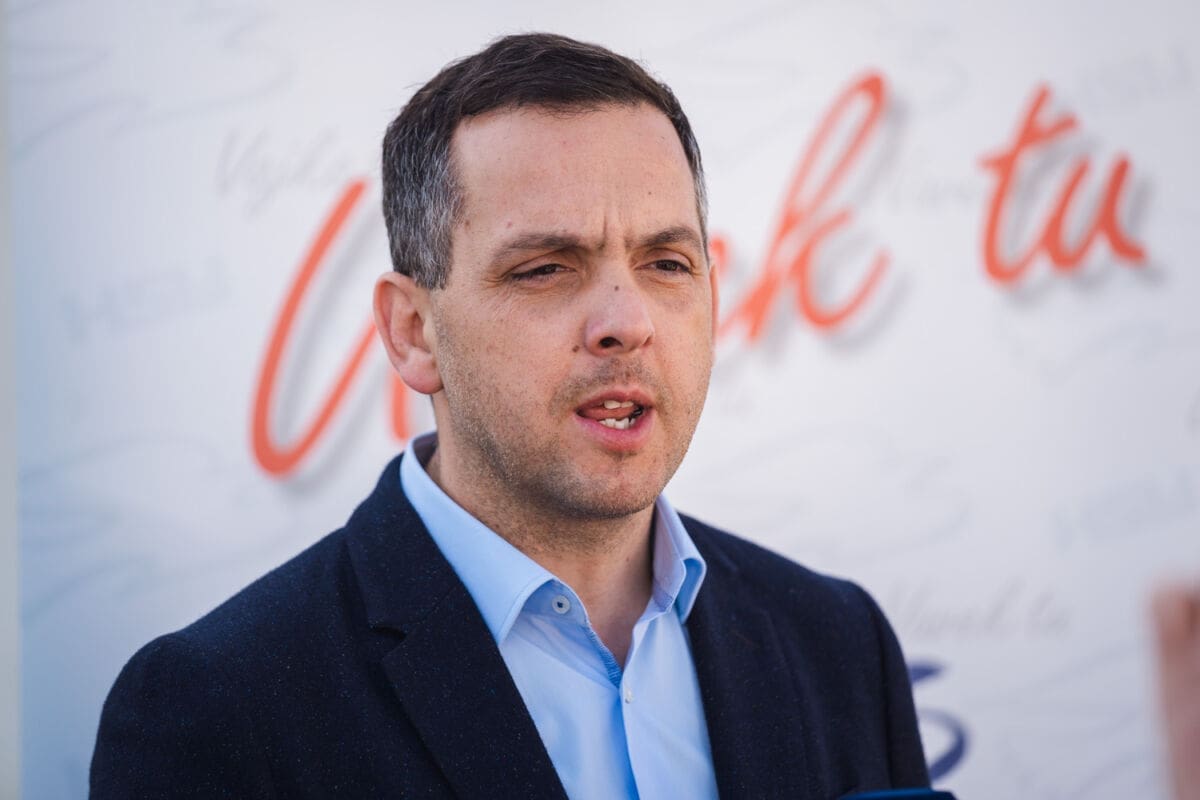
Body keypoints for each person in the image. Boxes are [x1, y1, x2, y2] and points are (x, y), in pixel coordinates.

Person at [91, 33, 930, 799]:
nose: (626, 320)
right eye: (545, 269)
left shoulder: (839, 643)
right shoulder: (216, 709)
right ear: (412, 332)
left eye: (667, 263)